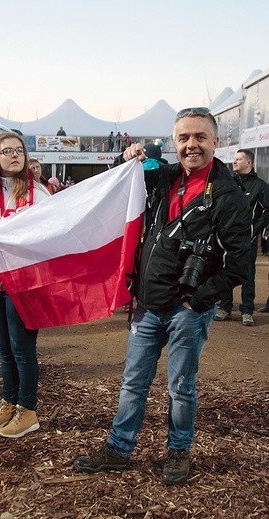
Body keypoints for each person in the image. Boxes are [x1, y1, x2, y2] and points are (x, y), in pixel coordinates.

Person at [73, 107, 251, 485]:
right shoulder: (165, 177)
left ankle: (178, 450)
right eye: (184, 138)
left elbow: (239, 264)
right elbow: (117, 193)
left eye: (200, 137)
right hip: (147, 306)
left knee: (180, 386)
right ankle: (119, 450)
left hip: (187, 310)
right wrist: (125, 162)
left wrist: (197, 301)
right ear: (174, 143)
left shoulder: (228, 195)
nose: (192, 145)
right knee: (132, 382)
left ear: (216, 142)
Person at [0, 132, 50, 439]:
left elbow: (51, 233)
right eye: (7, 151)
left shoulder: (38, 193)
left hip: (25, 283)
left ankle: (27, 410)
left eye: (19, 150)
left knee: (23, 350)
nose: (14, 155)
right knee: (5, 350)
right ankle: (9, 402)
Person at [214, 149, 269, 326]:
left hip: (248, 240)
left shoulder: (260, 186)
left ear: (249, 163)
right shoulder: (228, 183)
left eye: (238, 159)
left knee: (248, 274)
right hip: (225, 239)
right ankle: (224, 307)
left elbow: (267, 211)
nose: (234, 162)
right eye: (234, 159)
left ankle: (247, 310)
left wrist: (253, 230)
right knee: (224, 271)